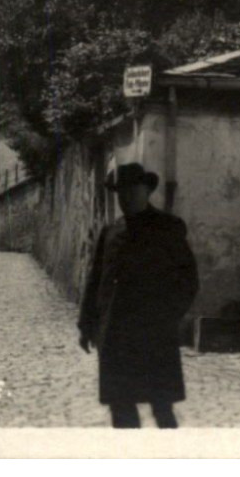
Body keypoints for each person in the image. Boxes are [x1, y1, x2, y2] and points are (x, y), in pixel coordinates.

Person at [77, 163, 199, 429]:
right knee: (120, 409)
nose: (126, 197)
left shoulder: (168, 228)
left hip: (153, 334)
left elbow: (187, 280)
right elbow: (96, 281)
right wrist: (87, 326)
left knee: (162, 408)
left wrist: (168, 317)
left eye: (133, 190)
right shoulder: (110, 233)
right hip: (114, 336)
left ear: (147, 191)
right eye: (121, 192)